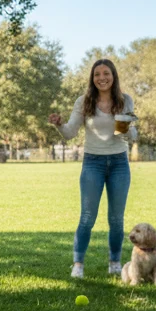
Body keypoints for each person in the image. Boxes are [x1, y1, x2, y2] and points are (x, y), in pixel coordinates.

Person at [49, 59, 138, 278]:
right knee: (87, 217)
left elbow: (132, 137)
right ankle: (78, 264)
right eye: (97, 74)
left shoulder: (125, 100)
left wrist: (124, 127)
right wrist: (59, 124)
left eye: (106, 73)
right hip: (93, 162)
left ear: (113, 76)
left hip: (119, 162)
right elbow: (70, 132)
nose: (102, 78)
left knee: (116, 219)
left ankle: (115, 261)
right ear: (92, 78)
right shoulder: (84, 101)